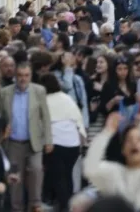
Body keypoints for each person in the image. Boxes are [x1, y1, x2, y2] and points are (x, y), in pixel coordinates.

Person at [83, 112, 140, 209]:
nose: (134, 143)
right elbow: (90, 169)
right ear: (123, 150)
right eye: (129, 140)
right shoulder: (114, 172)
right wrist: (107, 132)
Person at [0, 61, 53, 212]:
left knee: (36, 172)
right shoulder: (5, 92)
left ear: (31, 76)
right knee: (15, 180)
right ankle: (17, 208)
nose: (23, 79)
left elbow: (46, 117)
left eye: (26, 75)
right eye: (20, 75)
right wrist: (2, 133)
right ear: (15, 76)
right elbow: (0, 116)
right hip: (13, 143)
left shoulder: (39, 91)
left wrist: (48, 140)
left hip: (34, 142)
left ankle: (35, 206)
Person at [42, 74, 86, 212]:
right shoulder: (67, 99)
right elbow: (79, 120)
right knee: (67, 175)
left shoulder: (44, 101)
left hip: (55, 143)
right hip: (72, 144)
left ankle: (64, 206)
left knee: (59, 177)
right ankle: (67, 205)